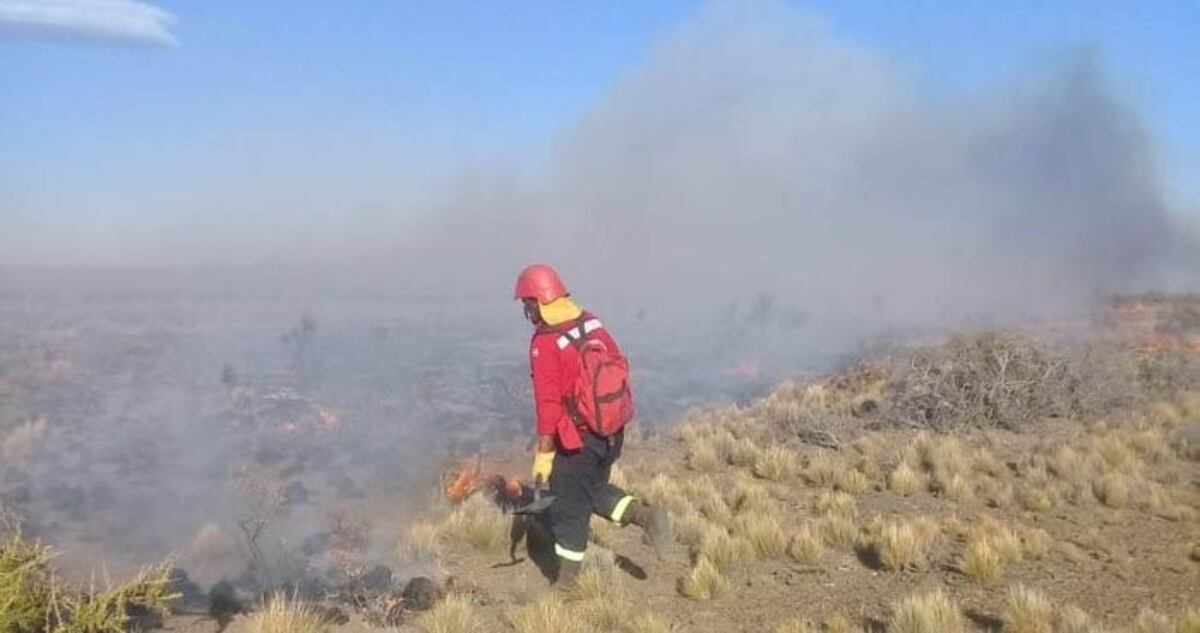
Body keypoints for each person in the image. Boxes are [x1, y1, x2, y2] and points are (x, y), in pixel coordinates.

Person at [513, 263, 670, 585]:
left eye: (527, 304)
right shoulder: (591, 321)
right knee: (591, 488)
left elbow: (548, 405)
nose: (527, 311)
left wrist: (544, 456)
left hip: (579, 439)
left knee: (569, 506)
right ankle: (646, 516)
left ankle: (568, 584)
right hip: (611, 431)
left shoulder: (545, 342)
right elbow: (617, 363)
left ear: (537, 300)